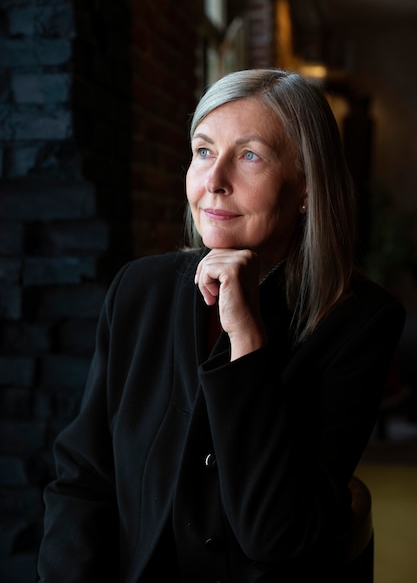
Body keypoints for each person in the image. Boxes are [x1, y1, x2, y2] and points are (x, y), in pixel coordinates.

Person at [37, 68, 405, 582]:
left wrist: (247, 341)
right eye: (204, 151)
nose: (213, 181)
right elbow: (83, 480)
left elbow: (277, 534)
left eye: (249, 156)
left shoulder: (360, 321)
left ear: (305, 186)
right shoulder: (138, 290)